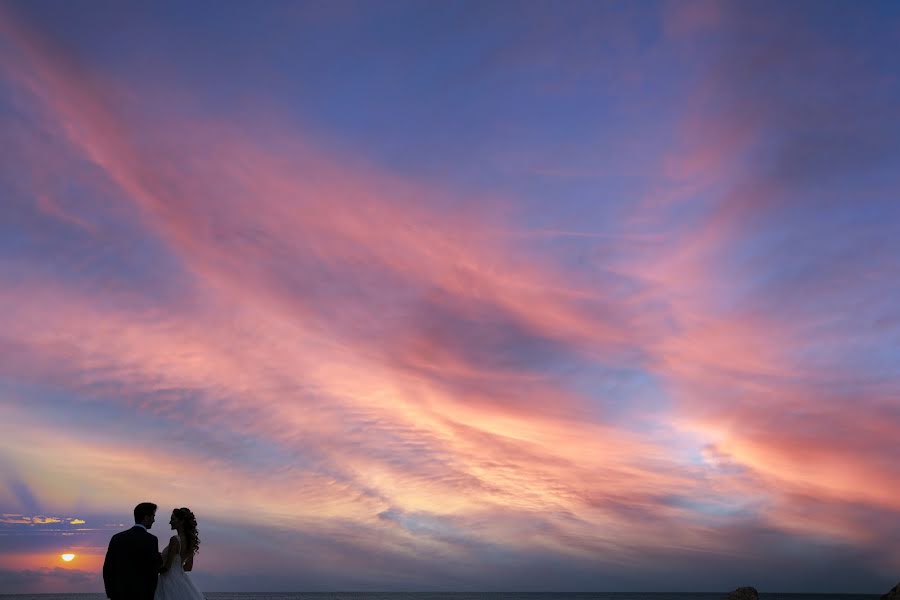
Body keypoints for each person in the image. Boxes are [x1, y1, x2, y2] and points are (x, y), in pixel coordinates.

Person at [103, 502, 163, 600]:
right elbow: (152, 570)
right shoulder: (151, 539)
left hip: (118, 594)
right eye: (153, 516)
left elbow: (108, 567)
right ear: (146, 517)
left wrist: (110, 592)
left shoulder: (117, 538)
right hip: (142, 594)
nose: (154, 520)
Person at [154, 507, 205, 600]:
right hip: (181, 581)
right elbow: (188, 567)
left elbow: (167, 567)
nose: (170, 522)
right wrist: (177, 568)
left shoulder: (175, 540)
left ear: (181, 521)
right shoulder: (190, 542)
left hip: (167, 581)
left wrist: (152, 571)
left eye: (173, 519)